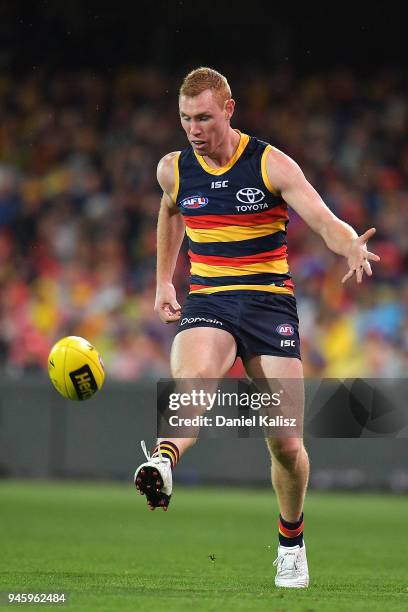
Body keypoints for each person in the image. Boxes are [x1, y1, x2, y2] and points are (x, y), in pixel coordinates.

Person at [134, 67, 380, 588]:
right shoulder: (173, 169)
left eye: (203, 117)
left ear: (229, 108)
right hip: (212, 302)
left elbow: (322, 219)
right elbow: (170, 212)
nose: (194, 129)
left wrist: (350, 244)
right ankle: (164, 460)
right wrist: (163, 282)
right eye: (184, 119)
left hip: (269, 308)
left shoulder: (270, 164)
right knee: (193, 381)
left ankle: (291, 541)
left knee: (287, 445)